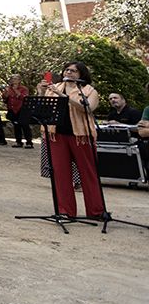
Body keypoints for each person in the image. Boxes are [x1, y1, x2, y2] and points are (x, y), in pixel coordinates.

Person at [46, 61, 105, 220]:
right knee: (61, 175)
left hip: (81, 136)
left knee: (88, 174)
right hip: (57, 135)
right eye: (67, 70)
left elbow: (88, 108)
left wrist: (65, 98)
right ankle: (66, 211)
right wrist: (41, 91)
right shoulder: (55, 88)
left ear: (81, 74)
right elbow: (44, 108)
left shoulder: (89, 90)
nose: (69, 73)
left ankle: (96, 211)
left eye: (73, 71)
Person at [3, 74, 33, 148]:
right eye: (12, 78)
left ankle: (29, 142)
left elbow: (24, 98)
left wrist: (15, 90)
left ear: (19, 80)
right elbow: (5, 99)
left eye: (16, 79)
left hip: (22, 109)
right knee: (16, 126)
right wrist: (6, 94)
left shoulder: (24, 88)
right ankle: (18, 142)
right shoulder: (8, 88)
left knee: (25, 125)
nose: (14, 80)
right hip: (12, 109)